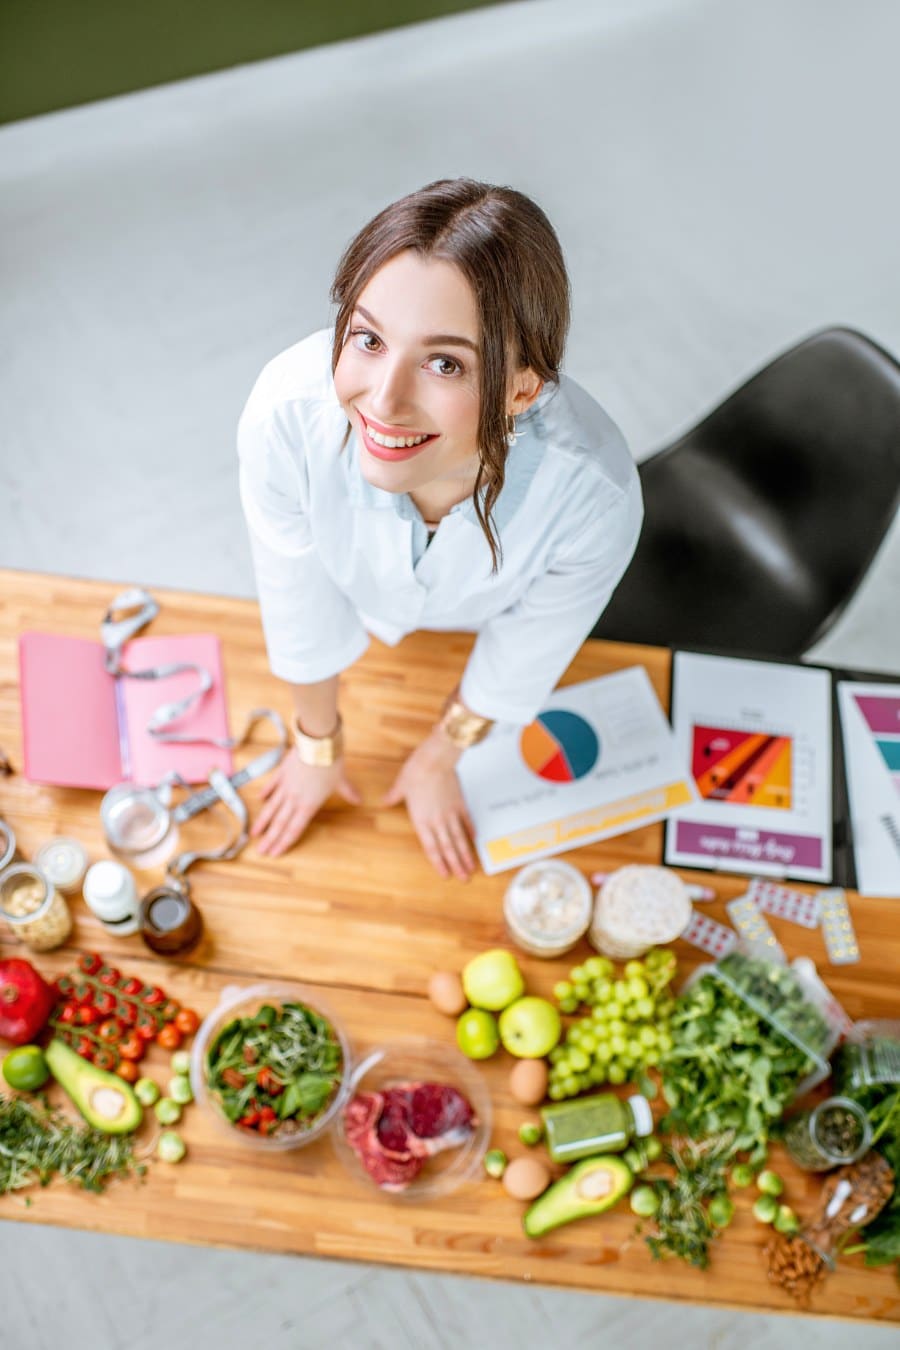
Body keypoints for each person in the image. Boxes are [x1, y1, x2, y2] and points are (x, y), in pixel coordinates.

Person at [238, 178, 643, 880]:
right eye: (368, 339)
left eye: (444, 362)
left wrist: (438, 759)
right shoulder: (285, 417)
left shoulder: (594, 498)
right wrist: (317, 747)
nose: (383, 401)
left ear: (522, 388)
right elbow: (298, 596)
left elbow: (522, 653)